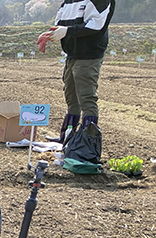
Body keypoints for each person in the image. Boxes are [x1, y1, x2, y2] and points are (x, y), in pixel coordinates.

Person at [37, 0, 115, 145]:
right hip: (71, 54)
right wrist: (51, 34)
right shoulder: (67, 2)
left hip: (89, 55)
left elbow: (96, 25)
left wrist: (67, 31)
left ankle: (87, 143)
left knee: (86, 98)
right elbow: (61, 24)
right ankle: (67, 137)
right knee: (71, 97)